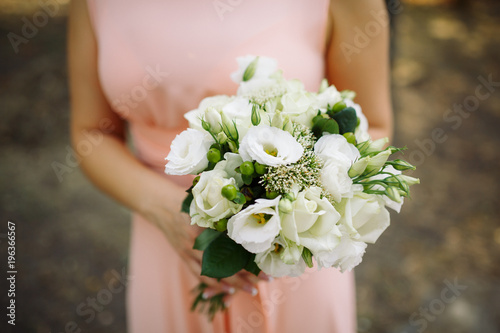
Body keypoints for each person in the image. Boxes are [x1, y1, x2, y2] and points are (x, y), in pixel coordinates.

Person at [68, 0, 392, 332]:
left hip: (297, 241)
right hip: (167, 238)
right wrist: (167, 211)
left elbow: (373, 127)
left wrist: (294, 204)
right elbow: (92, 133)